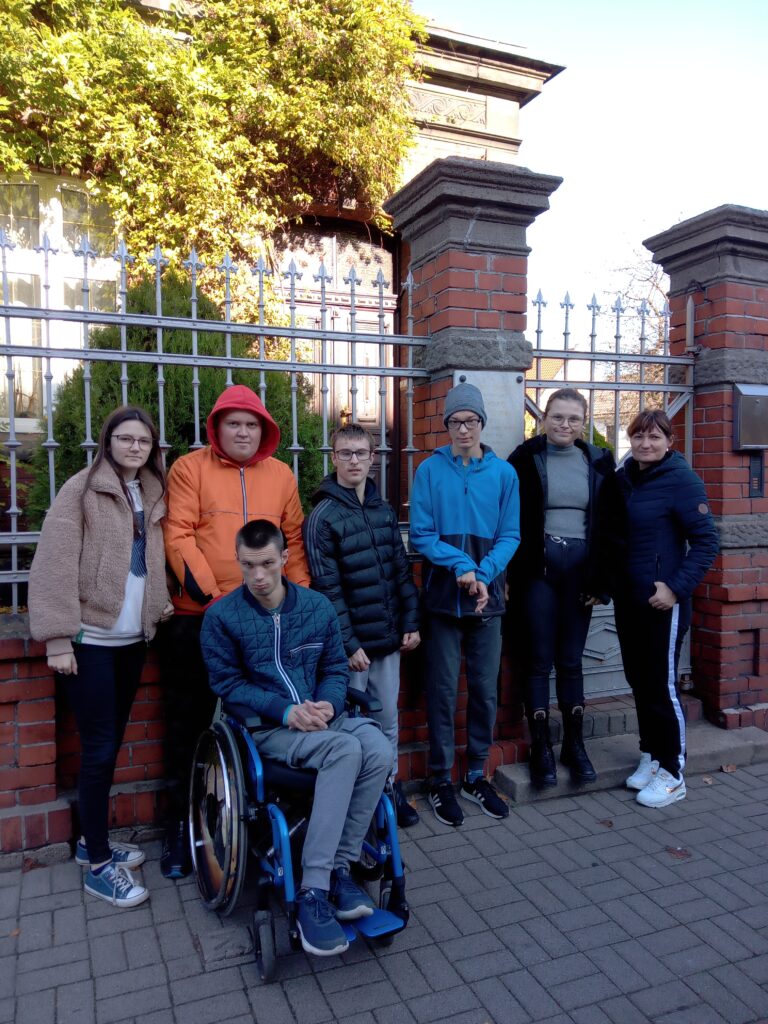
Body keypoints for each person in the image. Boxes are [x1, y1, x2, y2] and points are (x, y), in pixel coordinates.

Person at [200, 519, 392, 957]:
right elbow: (228, 684)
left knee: (379, 748)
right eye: (248, 565)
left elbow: (335, 668)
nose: (258, 576)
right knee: (345, 750)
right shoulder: (221, 618)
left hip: (322, 720)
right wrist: (285, 711)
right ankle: (313, 890)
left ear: (285, 559)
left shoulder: (317, 607)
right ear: (238, 561)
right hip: (269, 730)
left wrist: (328, 704)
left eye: (267, 564)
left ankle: (340, 868)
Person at [160, 384, 310, 878]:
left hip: (267, 620)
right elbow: (178, 536)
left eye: (251, 425)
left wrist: (299, 605)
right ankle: (180, 830)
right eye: (234, 423)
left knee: (267, 721)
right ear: (217, 428)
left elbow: (292, 542)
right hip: (199, 618)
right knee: (187, 726)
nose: (243, 432)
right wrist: (219, 601)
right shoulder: (190, 469)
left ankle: (264, 825)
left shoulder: (281, 474)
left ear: (264, 430)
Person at [28, 406, 173, 908]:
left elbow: (152, 561)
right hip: (89, 643)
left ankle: (93, 842)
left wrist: (159, 604)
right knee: (98, 749)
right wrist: (57, 639)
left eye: (144, 441)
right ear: (107, 441)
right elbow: (53, 563)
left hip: (132, 641)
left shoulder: (151, 493)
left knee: (108, 748)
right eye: (126, 438)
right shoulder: (81, 490)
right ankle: (99, 867)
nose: (135, 447)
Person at [409, 381, 520, 826]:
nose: (463, 429)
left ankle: (476, 774)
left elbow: (511, 535)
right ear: (446, 425)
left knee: (484, 692)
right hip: (442, 603)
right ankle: (440, 779)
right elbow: (421, 535)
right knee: (440, 693)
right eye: (455, 422)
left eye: (471, 420)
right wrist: (462, 566)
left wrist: (484, 573)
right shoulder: (429, 471)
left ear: (482, 423)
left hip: (486, 605)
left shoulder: (504, 474)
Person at [303, 423, 421, 828]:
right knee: (350, 726)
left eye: (361, 453)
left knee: (387, 721)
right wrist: (348, 643)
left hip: (387, 640)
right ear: (334, 458)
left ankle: (389, 790)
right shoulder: (322, 517)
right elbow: (327, 589)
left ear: (373, 458)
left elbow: (400, 571)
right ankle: (356, 802)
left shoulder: (382, 510)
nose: (354, 461)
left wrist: (410, 620)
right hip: (351, 651)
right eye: (345, 453)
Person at [610, 409, 718, 808]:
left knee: (662, 685)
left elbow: (706, 542)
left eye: (655, 437)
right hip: (630, 599)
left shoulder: (681, 480)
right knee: (640, 681)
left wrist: (675, 587)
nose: (646, 444)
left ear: (669, 442)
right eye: (638, 436)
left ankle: (673, 773)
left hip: (663, 603)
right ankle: (652, 755)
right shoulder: (624, 479)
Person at [507, 388, 615, 788]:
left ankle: (574, 745)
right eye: (557, 417)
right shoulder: (524, 458)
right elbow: (509, 517)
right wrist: (509, 575)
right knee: (538, 659)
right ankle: (541, 748)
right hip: (538, 572)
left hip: (582, 577)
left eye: (573, 418)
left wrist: (603, 580)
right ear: (543, 419)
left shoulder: (599, 460)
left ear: (583, 423)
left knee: (571, 659)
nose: (564, 425)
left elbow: (612, 523)